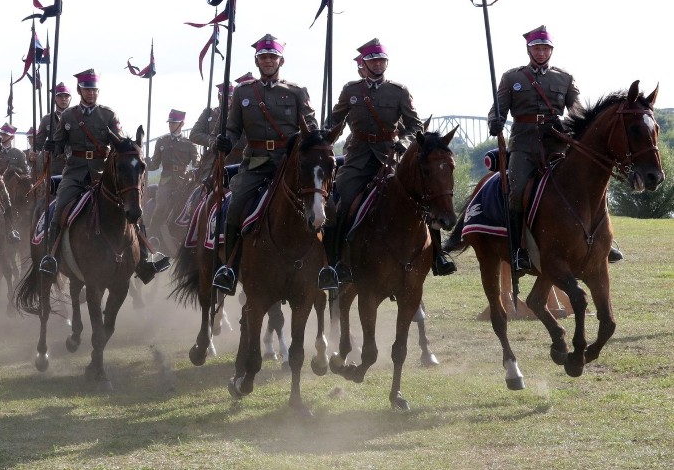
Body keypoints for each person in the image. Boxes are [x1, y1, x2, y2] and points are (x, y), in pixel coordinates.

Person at [487, 25, 622, 272]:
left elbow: (579, 111)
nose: (541, 53)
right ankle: (518, 250)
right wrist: (494, 121)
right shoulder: (512, 78)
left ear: (551, 51)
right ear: (529, 50)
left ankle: (606, 240)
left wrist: (568, 124)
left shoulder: (565, 78)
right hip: (524, 145)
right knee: (516, 191)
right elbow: (498, 109)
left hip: (557, 142)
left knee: (588, 183)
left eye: (545, 49)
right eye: (537, 48)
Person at [326, 38, 455, 282]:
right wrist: (323, 138)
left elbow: (415, 124)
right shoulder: (351, 91)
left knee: (422, 196)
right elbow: (335, 121)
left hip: (391, 155)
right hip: (358, 157)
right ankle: (336, 263)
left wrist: (404, 143)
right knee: (340, 198)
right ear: (364, 63)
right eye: (373, 60)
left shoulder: (398, 91)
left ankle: (438, 256)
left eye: (381, 60)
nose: (377, 64)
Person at [211, 34, 321, 295]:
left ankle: (327, 266)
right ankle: (230, 267)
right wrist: (225, 140)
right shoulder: (243, 93)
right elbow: (233, 128)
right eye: (264, 57)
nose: (268, 61)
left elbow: (311, 125)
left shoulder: (296, 91)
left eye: (272, 57)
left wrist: (316, 139)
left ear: (281, 60)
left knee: (326, 206)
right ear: (257, 60)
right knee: (235, 206)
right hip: (257, 162)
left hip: (290, 163)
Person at [39, 69, 167, 283]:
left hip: (103, 173)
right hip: (75, 173)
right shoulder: (69, 116)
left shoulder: (108, 115)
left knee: (133, 210)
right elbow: (60, 147)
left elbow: (119, 139)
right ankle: (51, 258)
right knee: (59, 209)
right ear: (80, 90)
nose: (91, 94)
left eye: (94, 90)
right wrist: (52, 146)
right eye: (87, 90)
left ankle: (143, 260)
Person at [147, 109, 199, 242]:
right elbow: (154, 165)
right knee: (161, 205)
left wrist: (195, 170)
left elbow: (196, 161)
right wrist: (145, 162)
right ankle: (151, 236)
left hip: (184, 181)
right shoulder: (161, 141)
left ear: (181, 124)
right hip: (166, 181)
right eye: (169, 122)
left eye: (174, 123)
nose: (170, 125)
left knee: (194, 205)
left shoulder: (189, 143)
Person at [190, 74, 251, 179]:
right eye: (226, 97)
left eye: (231, 97)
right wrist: (214, 142)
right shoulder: (209, 113)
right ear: (219, 96)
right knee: (206, 180)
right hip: (217, 155)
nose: (229, 99)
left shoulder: (240, 113)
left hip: (241, 157)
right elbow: (194, 135)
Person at [34, 81, 72, 177]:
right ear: (54, 98)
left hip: (73, 165)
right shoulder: (47, 119)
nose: (63, 99)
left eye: (66, 96)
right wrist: (33, 154)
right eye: (60, 96)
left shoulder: (76, 117)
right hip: (54, 166)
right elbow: (38, 143)